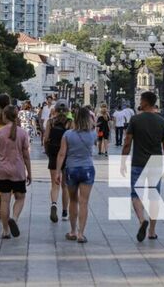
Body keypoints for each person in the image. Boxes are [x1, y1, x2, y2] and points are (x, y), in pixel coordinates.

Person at [121, 91, 164, 242]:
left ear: (145, 102)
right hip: (156, 163)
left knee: (136, 195)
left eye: (141, 100)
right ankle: (151, 231)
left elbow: (127, 143)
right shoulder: (162, 122)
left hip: (138, 162)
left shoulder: (135, 120)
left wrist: (123, 162)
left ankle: (141, 220)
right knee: (154, 197)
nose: (140, 102)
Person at [0, 105, 32, 239]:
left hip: (1, 171)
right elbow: (26, 155)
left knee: (4, 201)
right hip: (17, 171)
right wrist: (29, 172)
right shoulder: (22, 133)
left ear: (4, 116)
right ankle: (14, 218)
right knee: (20, 197)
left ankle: (5, 230)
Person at [55, 106, 96, 243]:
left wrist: (57, 172)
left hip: (71, 169)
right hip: (87, 169)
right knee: (84, 202)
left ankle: (72, 231)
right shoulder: (92, 134)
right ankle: (81, 234)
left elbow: (62, 154)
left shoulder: (68, 134)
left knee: (73, 201)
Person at [44, 100, 70, 222]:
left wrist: (47, 151)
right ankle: (65, 212)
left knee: (55, 184)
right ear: (67, 110)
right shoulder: (70, 123)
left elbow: (45, 139)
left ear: (55, 110)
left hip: (54, 155)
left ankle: (54, 204)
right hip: (67, 155)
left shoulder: (50, 122)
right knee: (65, 186)